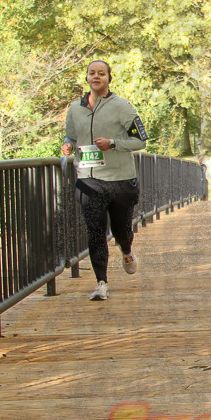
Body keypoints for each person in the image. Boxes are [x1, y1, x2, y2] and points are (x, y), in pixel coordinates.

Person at [62, 60, 148, 301]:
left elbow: (141, 141)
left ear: (109, 78)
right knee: (95, 232)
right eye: (92, 73)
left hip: (120, 180)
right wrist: (68, 144)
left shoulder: (122, 106)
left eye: (101, 73)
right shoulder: (75, 108)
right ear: (87, 78)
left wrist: (113, 143)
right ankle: (101, 282)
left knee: (122, 231)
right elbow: (71, 133)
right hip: (88, 180)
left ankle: (127, 248)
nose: (96, 77)